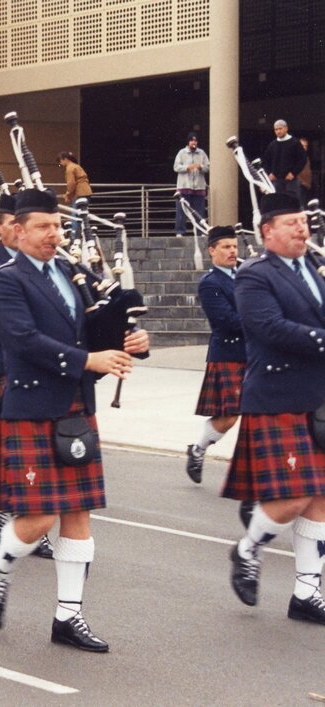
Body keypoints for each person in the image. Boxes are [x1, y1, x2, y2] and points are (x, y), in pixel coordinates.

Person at [0, 187, 149, 652]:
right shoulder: (3, 279)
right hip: (33, 405)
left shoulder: (74, 274)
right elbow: (22, 340)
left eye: (58, 226)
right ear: (18, 230)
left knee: (79, 511)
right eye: (44, 227)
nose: (55, 235)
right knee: (39, 516)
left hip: (76, 406)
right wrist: (87, 361)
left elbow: (100, 328)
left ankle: (68, 616)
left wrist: (132, 340)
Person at [224, 192, 325, 625]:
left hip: (317, 396)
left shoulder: (314, 270)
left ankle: (307, 593)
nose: (303, 229)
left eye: (304, 221)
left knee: (319, 499)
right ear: (268, 232)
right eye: (293, 223)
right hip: (277, 396)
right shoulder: (253, 275)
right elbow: (269, 327)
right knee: (293, 495)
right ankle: (247, 549)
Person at [0, 196, 55, 559]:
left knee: (43, 446)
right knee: (10, 442)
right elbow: (4, 320)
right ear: (1, 227)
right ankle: (7, 507)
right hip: (10, 362)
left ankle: (24, 512)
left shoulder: (51, 264)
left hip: (50, 364)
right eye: (10, 223)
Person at [186, 226, 244, 483]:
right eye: (226, 247)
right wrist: (264, 319)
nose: (232, 251)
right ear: (212, 250)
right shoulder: (210, 283)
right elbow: (226, 321)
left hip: (255, 354)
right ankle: (198, 449)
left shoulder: (243, 275)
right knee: (229, 417)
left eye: (234, 246)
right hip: (229, 354)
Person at [262, 120, 308, 206]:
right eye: (276, 129)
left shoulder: (294, 142)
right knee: (278, 205)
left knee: (294, 205)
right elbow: (265, 161)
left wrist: (293, 173)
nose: (278, 131)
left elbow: (303, 159)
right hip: (277, 181)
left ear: (286, 129)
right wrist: (269, 173)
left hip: (291, 181)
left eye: (280, 128)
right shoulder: (272, 145)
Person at [174, 132, 211, 238]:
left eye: (195, 140)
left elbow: (207, 167)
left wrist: (200, 167)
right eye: (191, 140)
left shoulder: (202, 153)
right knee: (182, 210)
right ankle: (180, 231)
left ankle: (201, 231)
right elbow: (176, 167)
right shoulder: (182, 153)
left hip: (199, 187)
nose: (193, 142)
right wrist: (187, 167)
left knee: (199, 211)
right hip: (184, 186)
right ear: (188, 142)